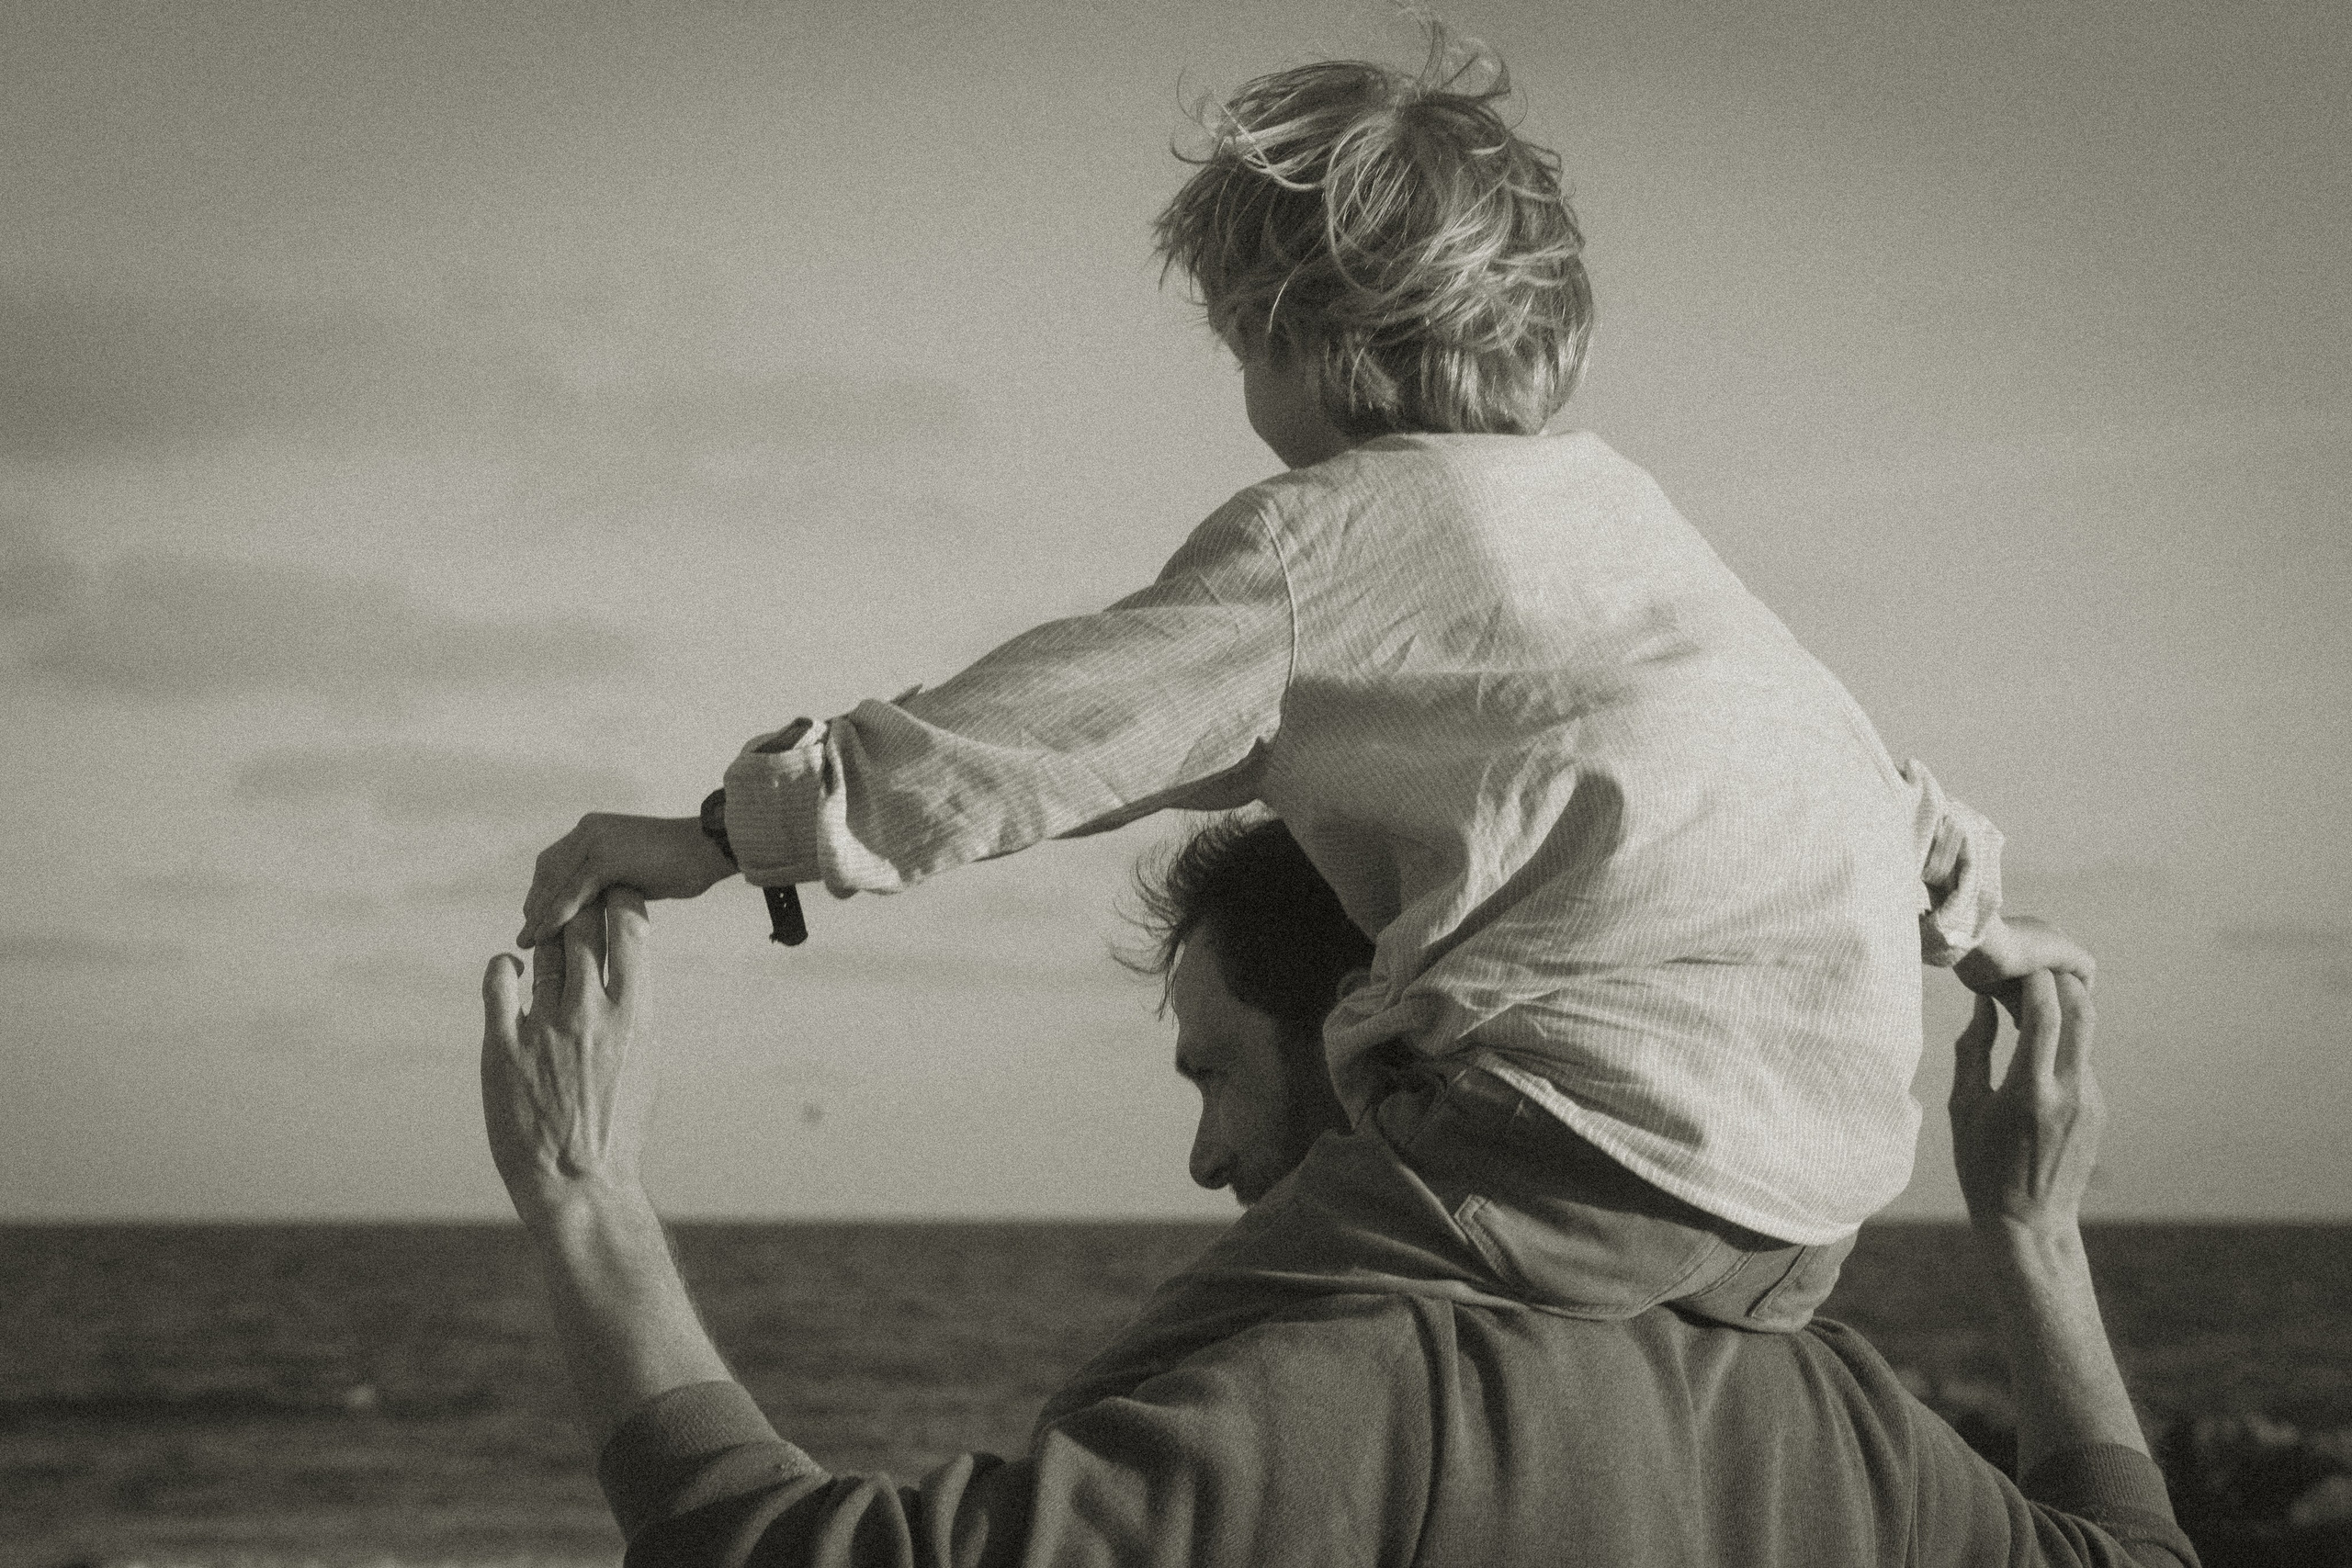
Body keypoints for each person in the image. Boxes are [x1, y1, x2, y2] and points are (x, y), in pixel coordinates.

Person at [513, 29, 2089, 1337]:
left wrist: (732, 835)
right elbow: (1847, 790)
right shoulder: (1649, 546)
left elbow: (1044, 738)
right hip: (1808, 1216)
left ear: (1295, 340)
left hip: (1562, 1149)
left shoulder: (1323, 544)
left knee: (1165, 1399)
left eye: (1237, 349)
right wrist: (1983, 925)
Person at [478, 819, 2199, 1567]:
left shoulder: (1366, 1410)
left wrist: (585, 1193)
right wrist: (2035, 1242)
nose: (1210, 1154)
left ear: (1376, 1050)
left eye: (1218, 1071)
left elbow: (777, 1560)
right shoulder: (1837, 1422)